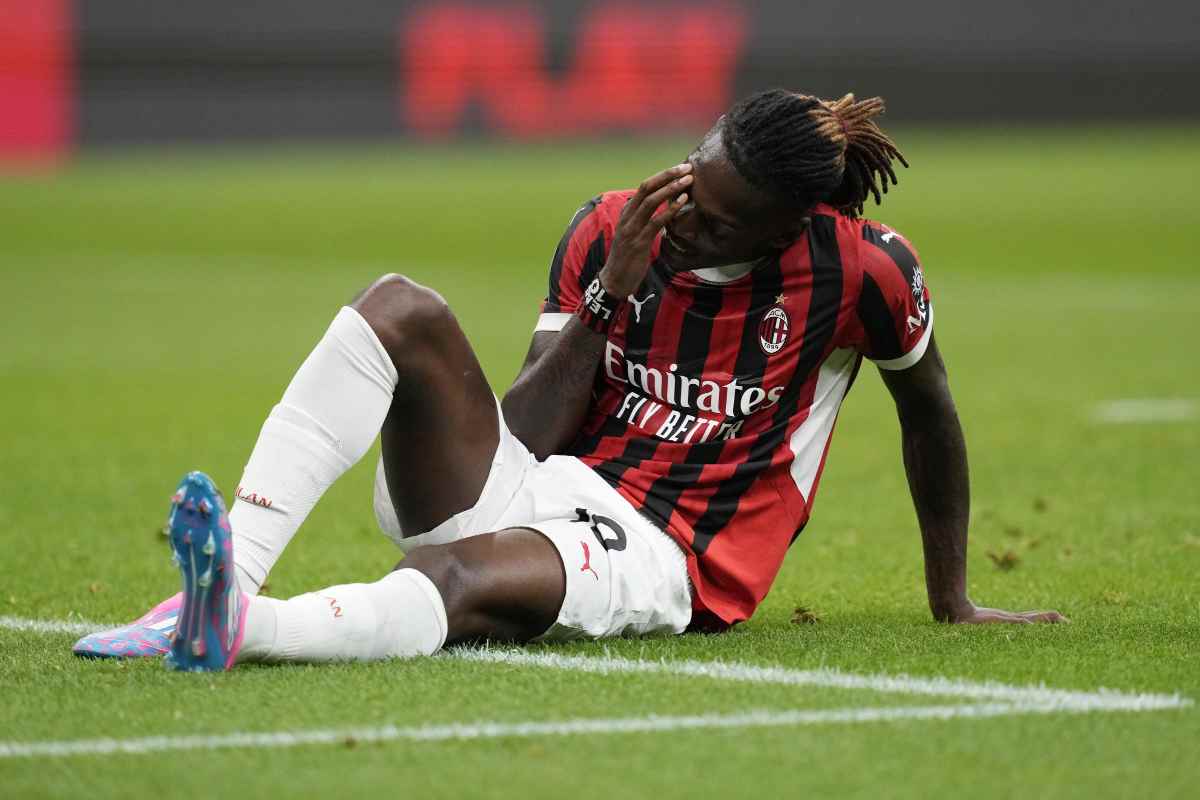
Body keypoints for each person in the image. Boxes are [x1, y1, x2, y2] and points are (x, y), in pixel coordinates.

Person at [74, 89, 1065, 671]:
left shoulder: (863, 270)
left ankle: (239, 627)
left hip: (670, 552)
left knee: (456, 582)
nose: (685, 218)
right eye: (690, 182)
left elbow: (929, 411)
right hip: (542, 478)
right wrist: (609, 295)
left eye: (718, 221)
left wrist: (953, 598)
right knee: (399, 306)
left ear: (786, 228)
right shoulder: (610, 227)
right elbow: (526, 433)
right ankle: (227, 577)